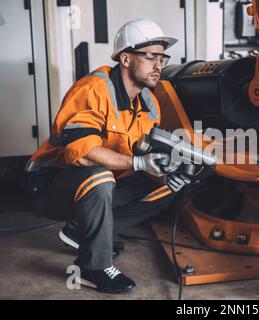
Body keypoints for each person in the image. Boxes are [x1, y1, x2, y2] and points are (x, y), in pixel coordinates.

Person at [24, 19, 192, 294]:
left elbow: (141, 156)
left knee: (171, 183)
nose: (159, 65)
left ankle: (83, 231)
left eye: (162, 57)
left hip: (104, 183)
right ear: (125, 58)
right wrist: (139, 163)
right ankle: (93, 266)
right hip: (50, 184)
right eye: (151, 56)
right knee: (99, 176)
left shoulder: (149, 102)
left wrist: (161, 170)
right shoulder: (93, 90)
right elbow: (83, 155)